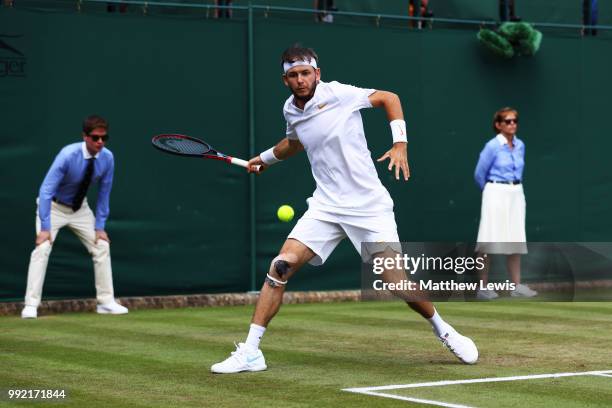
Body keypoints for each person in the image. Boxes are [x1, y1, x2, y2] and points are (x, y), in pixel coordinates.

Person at [210, 44, 478, 374]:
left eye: (305, 73)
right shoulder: (290, 110)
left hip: (368, 206)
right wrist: (265, 159)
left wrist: (400, 143)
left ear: (317, 74)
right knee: (280, 267)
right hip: (325, 206)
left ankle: (443, 329)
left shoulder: (338, 94)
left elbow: (388, 98)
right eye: (293, 75)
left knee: (395, 281)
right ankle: (250, 351)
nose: (300, 80)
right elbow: (294, 142)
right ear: (285, 80)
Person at [21, 115, 128, 319]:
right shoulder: (67, 155)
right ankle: (31, 305)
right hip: (53, 207)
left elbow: (105, 193)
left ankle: (106, 302)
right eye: (95, 138)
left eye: (104, 138)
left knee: (102, 245)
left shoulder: (108, 158)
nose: (100, 143)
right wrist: (45, 228)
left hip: (80, 209)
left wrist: (100, 226)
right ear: (85, 137)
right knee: (42, 248)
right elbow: (45, 190)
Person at [474, 107, 537, 300]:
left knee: (515, 238)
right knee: (488, 238)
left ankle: (516, 286)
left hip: (516, 192)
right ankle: (483, 288)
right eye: (508, 121)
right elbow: (479, 174)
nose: (512, 124)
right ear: (498, 125)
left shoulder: (520, 145)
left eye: (515, 121)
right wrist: (492, 192)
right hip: (495, 191)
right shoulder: (492, 146)